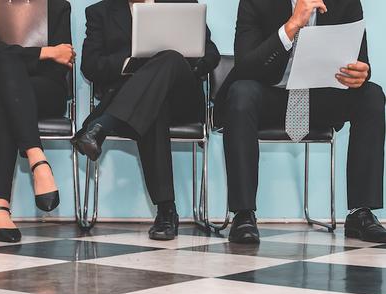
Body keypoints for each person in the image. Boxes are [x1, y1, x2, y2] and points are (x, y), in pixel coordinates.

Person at [216, 0, 386, 244]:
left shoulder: (346, 2)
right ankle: (243, 214)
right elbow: (246, 67)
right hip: (271, 94)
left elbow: (360, 61)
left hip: (320, 96)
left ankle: (361, 213)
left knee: (371, 95)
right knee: (242, 93)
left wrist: (360, 73)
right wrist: (291, 26)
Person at [71, 0, 220, 240]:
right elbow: (90, 65)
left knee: (170, 58)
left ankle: (102, 126)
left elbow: (211, 53)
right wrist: (133, 61)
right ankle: (166, 211)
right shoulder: (100, 12)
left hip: (182, 96)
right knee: (155, 105)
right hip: (138, 101)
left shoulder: (182, 5)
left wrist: (184, 62)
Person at [0, 0, 74, 243]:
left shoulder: (59, 5)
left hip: (44, 90)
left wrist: (21, 57)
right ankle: (38, 160)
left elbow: (62, 63)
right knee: (5, 64)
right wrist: (46, 52)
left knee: (2, 97)